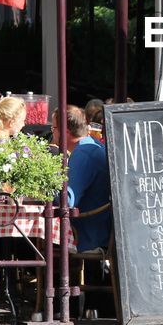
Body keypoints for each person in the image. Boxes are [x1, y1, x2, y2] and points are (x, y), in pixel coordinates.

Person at [61, 106, 112, 253]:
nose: (53, 132)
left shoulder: (83, 154)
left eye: (54, 128)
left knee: (24, 241)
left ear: (66, 131)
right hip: (101, 230)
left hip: (86, 236)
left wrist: (44, 189)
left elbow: (68, 201)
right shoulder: (93, 146)